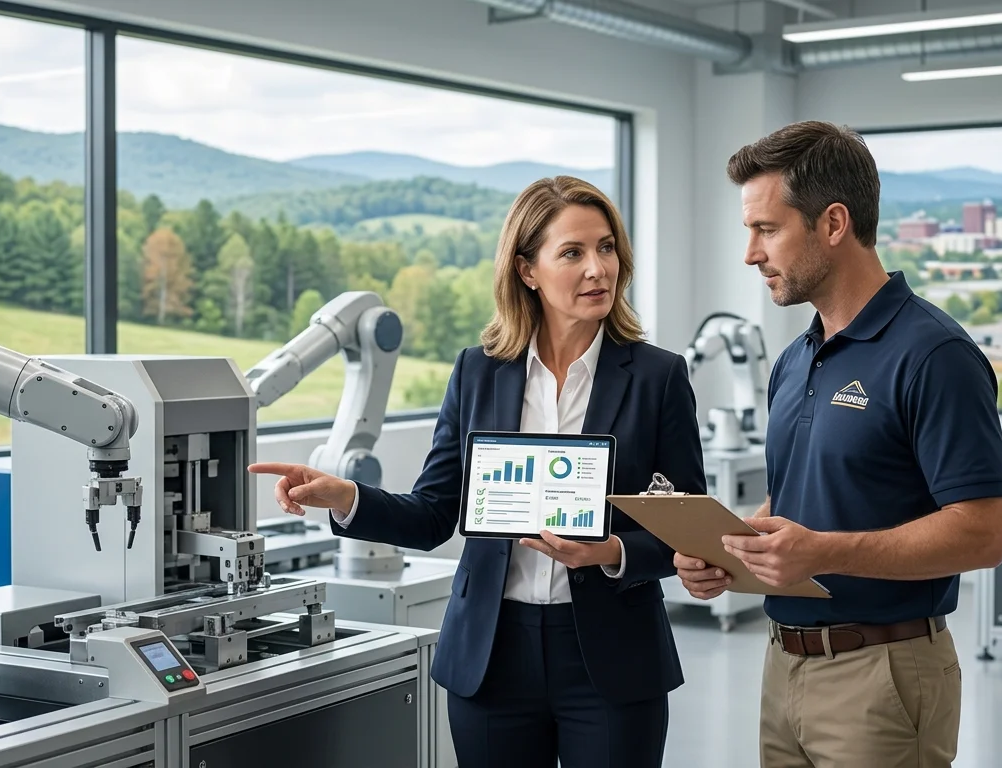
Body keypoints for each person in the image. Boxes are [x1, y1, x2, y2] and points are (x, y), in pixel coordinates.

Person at [249, 176, 705, 768]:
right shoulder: (478, 372)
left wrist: (611, 550)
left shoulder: (658, 377)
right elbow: (435, 513)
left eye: (607, 247)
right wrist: (346, 497)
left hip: (612, 656)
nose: (598, 268)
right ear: (526, 270)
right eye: (572, 252)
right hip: (493, 655)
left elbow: (689, 525)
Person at [675, 121, 1002, 768]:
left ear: (833, 223)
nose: (750, 253)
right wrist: (732, 551)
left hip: (883, 674)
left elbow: (982, 534)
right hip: (783, 666)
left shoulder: (935, 355)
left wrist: (822, 551)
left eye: (766, 230)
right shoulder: (797, 359)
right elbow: (800, 500)